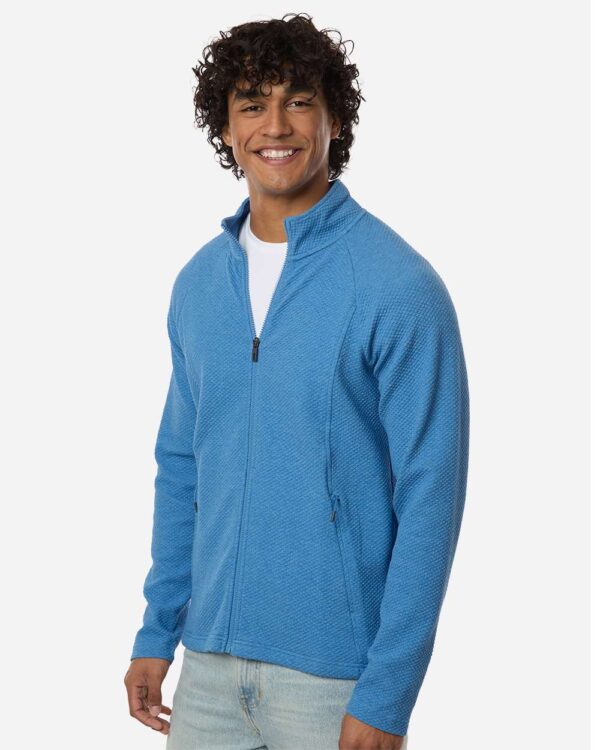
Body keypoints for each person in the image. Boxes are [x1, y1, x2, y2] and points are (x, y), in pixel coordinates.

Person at [124, 12, 469, 750]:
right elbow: (182, 468)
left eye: (299, 101)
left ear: (334, 120)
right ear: (225, 128)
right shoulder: (197, 285)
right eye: (252, 104)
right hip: (207, 674)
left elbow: (431, 497)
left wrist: (389, 692)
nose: (275, 126)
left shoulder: (397, 286)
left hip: (334, 682)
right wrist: (158, 630)